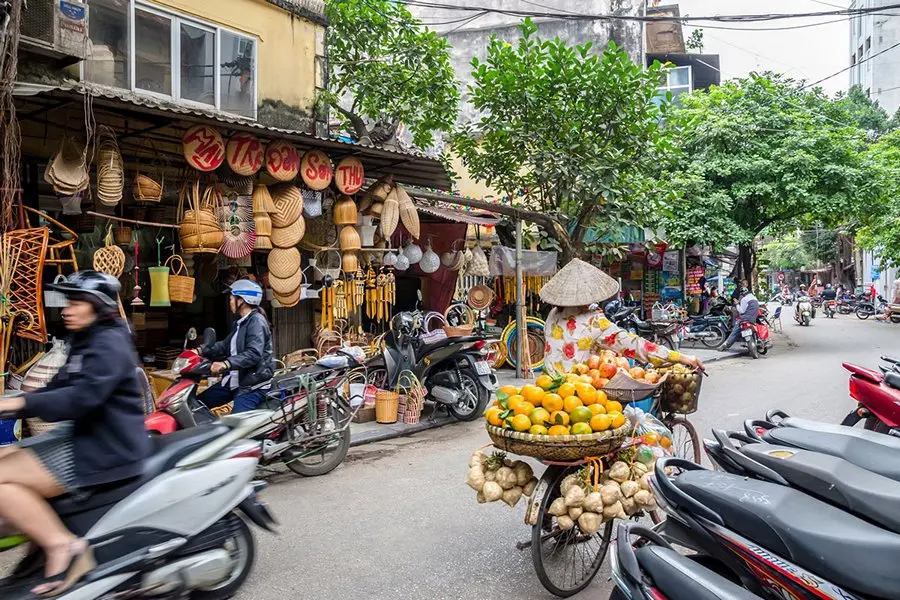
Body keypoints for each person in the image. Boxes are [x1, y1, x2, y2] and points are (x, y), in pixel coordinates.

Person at [0, 271, 150, 595]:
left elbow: (81, 397)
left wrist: (19, 404)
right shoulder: (86, 340)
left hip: (103, 449)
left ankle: (62, 545)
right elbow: (59, 387)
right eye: (67, 301)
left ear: (97, 306)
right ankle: (39, 544)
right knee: (4, 456)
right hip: (85, 436)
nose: (67, 309)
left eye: (77, 301)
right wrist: (13, 402)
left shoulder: (109, 342)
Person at [540, 259, 705, 375]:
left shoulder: (553, 314)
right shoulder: (594, 321)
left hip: (545, 390)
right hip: (576, 394)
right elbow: (637, 346)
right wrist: (681, 357)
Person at [198, 279, 274, 413]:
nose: (230, 302)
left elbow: (253, 354)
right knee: (198, 404)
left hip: (252, 385)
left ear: (242, 300)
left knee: (235, 427)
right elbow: (225, 345)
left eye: (232, 298)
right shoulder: (241, 323)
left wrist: (225, 364)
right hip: (235, 380)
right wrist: (200, 350)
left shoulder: (256, 322)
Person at [718, 286, 760, 352]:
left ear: (742, 294)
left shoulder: (744, 299)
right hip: (753, 318)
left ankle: (726, 344)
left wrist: (737, 304)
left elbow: (742, 311)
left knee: (735, 330)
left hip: (745, 319)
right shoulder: (754, 298)